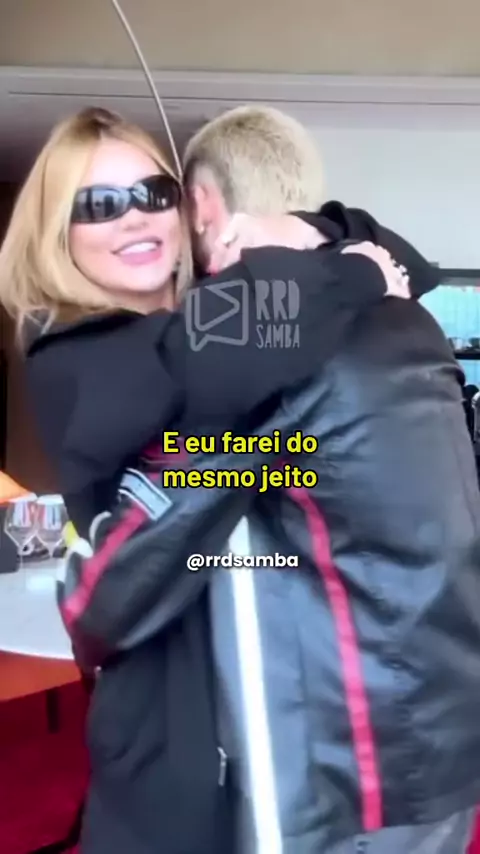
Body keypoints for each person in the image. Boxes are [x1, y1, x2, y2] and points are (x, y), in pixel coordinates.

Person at [53, 106, 479, 854]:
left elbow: (111, 592)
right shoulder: (408, 318)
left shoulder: (264, 347)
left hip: (348, 766)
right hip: (451, 732)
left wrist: (79, 582)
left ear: (202, 207)